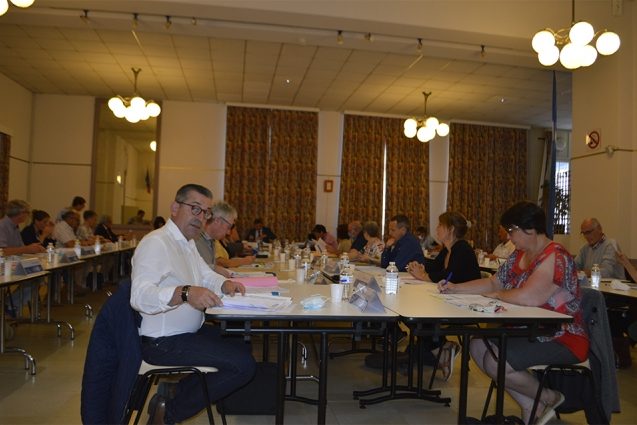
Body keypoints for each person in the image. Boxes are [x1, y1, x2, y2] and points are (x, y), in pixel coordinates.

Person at [439, 201, 588, 425]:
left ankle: (549, 397)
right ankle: (532, 406)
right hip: (530, 331)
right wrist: (455, 288)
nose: (509, 237)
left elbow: (529, 297)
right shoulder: (520, 254)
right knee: (477, 345)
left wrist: (497, 295)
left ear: (529, 229)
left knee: (495, 362)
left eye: (511, 230)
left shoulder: (556, 257)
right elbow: (494, 282)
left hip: (561, 337)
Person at [130, 183, 256, 424]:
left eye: (205, 212)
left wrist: (224, 284)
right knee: (243, 366)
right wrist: (185, 293)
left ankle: (175, 392)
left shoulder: (186, 243)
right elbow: (139, 296)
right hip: (162, 341)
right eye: (195, 208)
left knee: (241, 343)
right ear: (175, 208)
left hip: (187, 332)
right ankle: (168, 413)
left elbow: (205, 275)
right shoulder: (157, 243)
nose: (200, 217)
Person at [408, 211, 481, 284]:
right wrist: (419, 266)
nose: (437, 228)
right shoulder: (447, 250)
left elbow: (449, 276)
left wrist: (423, 276)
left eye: (440, 225)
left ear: (451, 229)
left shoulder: (462, 249)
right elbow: (435, 267)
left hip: (470, 291)